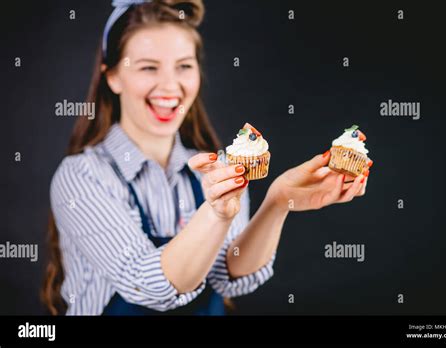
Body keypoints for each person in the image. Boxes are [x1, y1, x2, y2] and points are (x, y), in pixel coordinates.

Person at [41, 0, 369, 315]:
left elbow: (229, 278)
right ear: (112, 76)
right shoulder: (82, 176)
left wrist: (278, 202)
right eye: (148, 67)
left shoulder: (218, 167)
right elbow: (146, 284)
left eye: (184, 66)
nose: (170, 86)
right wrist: (214, 214)